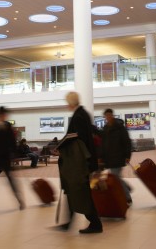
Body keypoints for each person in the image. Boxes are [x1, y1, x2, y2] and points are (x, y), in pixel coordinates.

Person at [55, 91, 102, 234]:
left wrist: (59, 146)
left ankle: (95, 223)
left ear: (71, 102)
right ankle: (69, 222)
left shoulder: (78, 116)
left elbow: (76, 137)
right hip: (83, 161)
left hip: (80, 163)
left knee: (80, 192)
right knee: (72, 191)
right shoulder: (83, 114)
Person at [100, 108, 132, 204]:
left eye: (110, 115)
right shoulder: (105, 129)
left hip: (118, 157)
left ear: (112, 115)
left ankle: (127, 197)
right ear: (105, 117)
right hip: (109, 158)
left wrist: (127, 156)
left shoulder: (120, 128)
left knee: (116, 177)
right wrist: (101, 157)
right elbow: (103, 144)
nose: (108, 117)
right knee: (116, 177)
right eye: (106, 116)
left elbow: (127, 142)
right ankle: (127, 188)